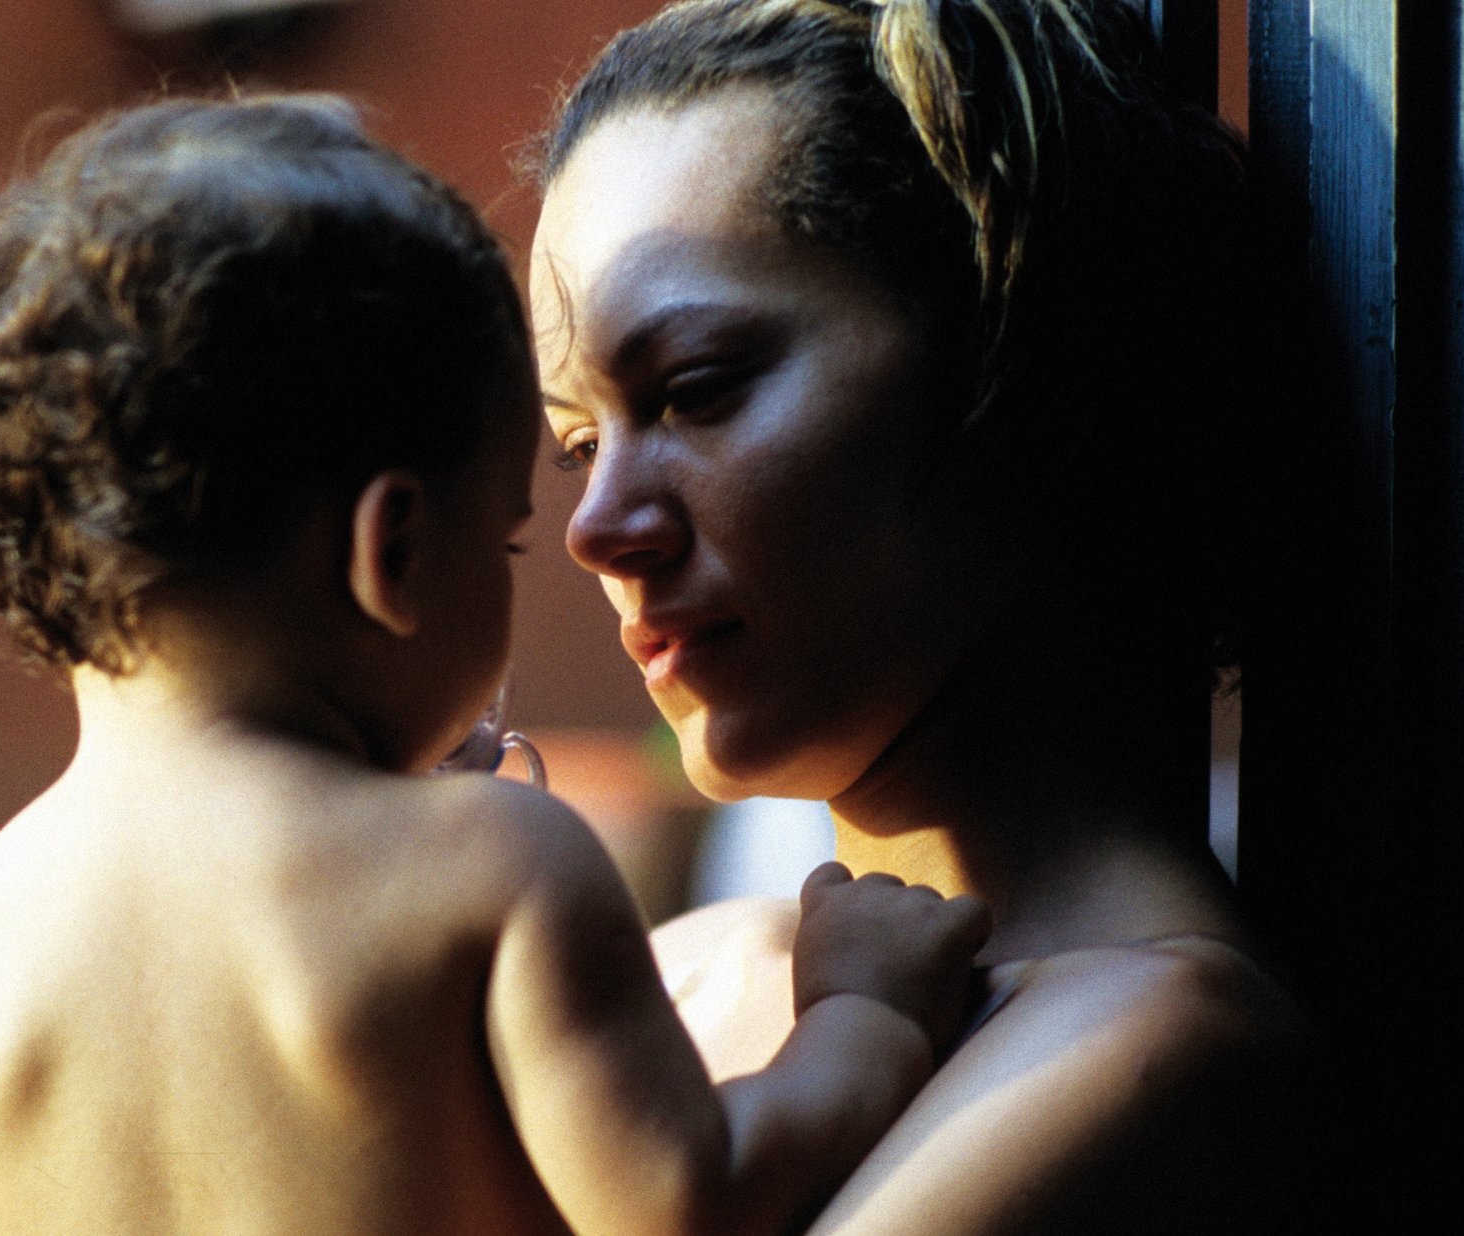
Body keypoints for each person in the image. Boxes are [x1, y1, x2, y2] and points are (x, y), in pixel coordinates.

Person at [0, 95, 993, 1236]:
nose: (559, 550)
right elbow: (691, 1202)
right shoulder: (492, 868)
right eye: (510, 534)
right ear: (395, 550)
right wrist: (862, 1012)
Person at [529, 0, 1318, 1228]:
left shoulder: (1157, 1047)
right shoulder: (675, 974)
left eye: (695, 389)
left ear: (1005, 349)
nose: (596, 525)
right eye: (577, 443)